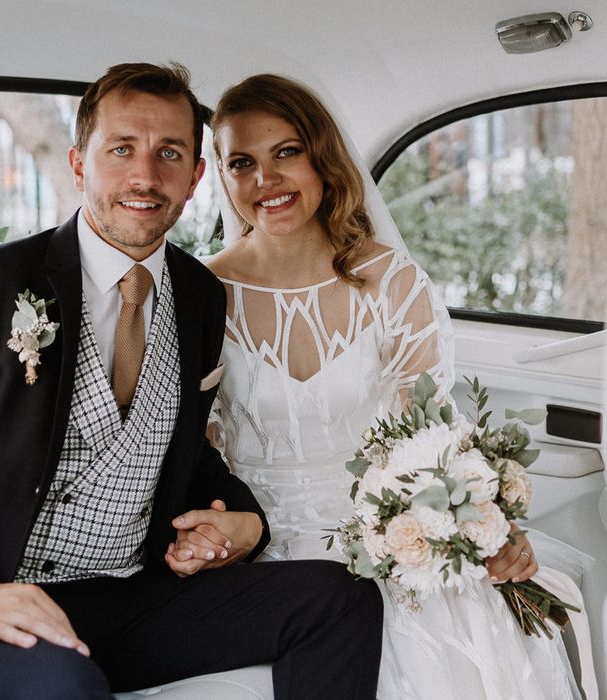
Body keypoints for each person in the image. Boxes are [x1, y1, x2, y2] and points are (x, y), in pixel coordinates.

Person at [0, 64, 384, 700]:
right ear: (79, 162)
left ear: (196, 176)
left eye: (169, 153)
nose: (145, 177)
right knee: (63, 690)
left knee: (340, 597)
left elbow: (179, 445)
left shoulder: (202, 294)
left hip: (132, 593)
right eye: (121, 149)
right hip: (1, 599)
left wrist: (244, 521)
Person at [206, 73, 588, 699]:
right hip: (258, 551)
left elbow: (432, 435)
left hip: (392, 541)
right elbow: (195, 449)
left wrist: (484, 522)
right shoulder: (200, 291)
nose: (265, 181)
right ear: (221, 177)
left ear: (321, 159)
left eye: (286, 153)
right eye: (241, 162)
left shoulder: (392, 282)